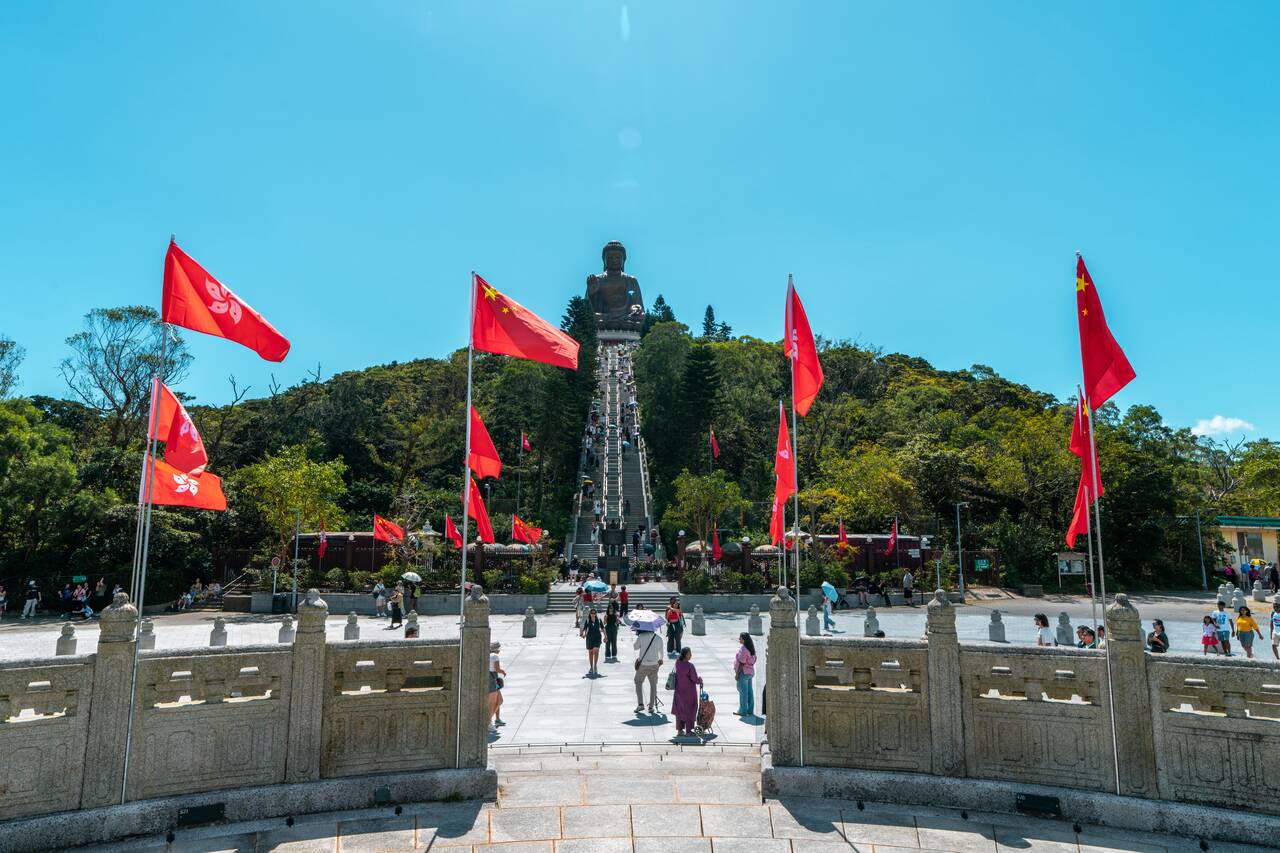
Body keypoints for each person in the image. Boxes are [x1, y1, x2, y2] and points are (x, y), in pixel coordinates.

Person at [672, 647, 703, 737]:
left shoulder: (677, 663)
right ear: (685, 654)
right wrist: (699, 680)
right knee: (690, 710)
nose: (691, 655)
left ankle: (680, 730)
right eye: (689, 653)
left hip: (679, 691)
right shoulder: (690, 666)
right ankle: (688, 731)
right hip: (689, 692)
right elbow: (694, 679)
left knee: (680, 710)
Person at [634, 627, 664, 713]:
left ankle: (640, 704)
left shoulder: (641, 636)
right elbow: (661, 653)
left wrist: (638, 636)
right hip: (654, 664)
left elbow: (635, 647)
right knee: (653, 685)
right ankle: (651, 706)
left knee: (638, 682)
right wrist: (660, 660)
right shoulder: (658, 638)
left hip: (643, 664)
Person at [734, 633, 756, 717]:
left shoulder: (743, 649)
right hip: (750, 672)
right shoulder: (751, 648)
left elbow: (742, 663)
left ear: (744, 639)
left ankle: (742, 711)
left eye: (740, 638)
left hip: (743, 672)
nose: (739, 639)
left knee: (743, 692)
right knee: (750, 691)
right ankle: (750, 710)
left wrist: (737, 674)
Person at [488, 641, 506, 733]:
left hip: (492, 680)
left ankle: (492, 720)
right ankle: (488, 723)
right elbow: (497, 669)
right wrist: (503, 672)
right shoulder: (495, 656)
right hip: (491, 680)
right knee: (492, 703)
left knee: (499, 700)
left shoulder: (487, 655)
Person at [582, 609, 604, 676]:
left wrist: (606, 636)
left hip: (597, 637)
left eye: (594, 613)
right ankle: (591, 667)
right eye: (592, 613)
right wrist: (584, 634)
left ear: (596, 614)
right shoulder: (587, 620)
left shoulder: (599, 620)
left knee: (596, 651)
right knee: (591, 653)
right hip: (589, 638)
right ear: (590, 614)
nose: (593, 614)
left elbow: (603, 628)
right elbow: (585, 628)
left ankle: (595, 666)